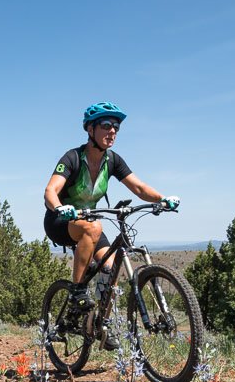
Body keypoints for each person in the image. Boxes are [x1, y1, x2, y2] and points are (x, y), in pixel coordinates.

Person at [43, 102, 178, 348]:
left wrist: (162, 199)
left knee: (110, 267)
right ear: (90, 129)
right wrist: (60, 207)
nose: (112, 131)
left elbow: (138, 187)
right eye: (106, 125)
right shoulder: (73, 157)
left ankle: (99, 326)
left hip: (88, 224)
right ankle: (76, 292)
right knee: (94, 228)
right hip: (60, 221)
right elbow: (51, 191)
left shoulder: (112, 160)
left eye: (116, 127)